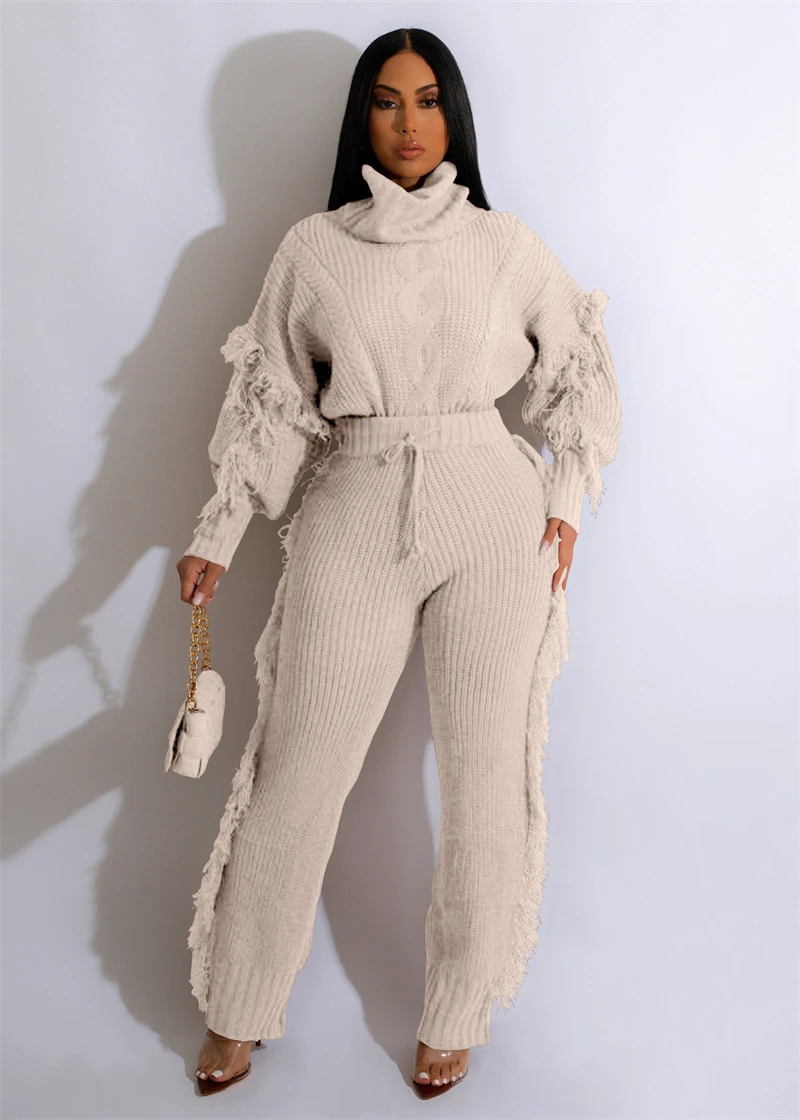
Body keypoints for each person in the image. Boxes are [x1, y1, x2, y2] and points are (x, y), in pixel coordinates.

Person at [175, 27, 622, 1099]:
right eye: (386, 101)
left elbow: (580, 370)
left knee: (484, 770)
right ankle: (238, 1003)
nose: (409, 123)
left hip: (493, 511)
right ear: (361, 118)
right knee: (297, 765)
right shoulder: (314, 249)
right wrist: (217, 533)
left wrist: (564, 501)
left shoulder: (503, 246)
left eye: (426, 101)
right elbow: (271, 401)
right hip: (354, 495)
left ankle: (457, 1009)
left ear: (452, 114)